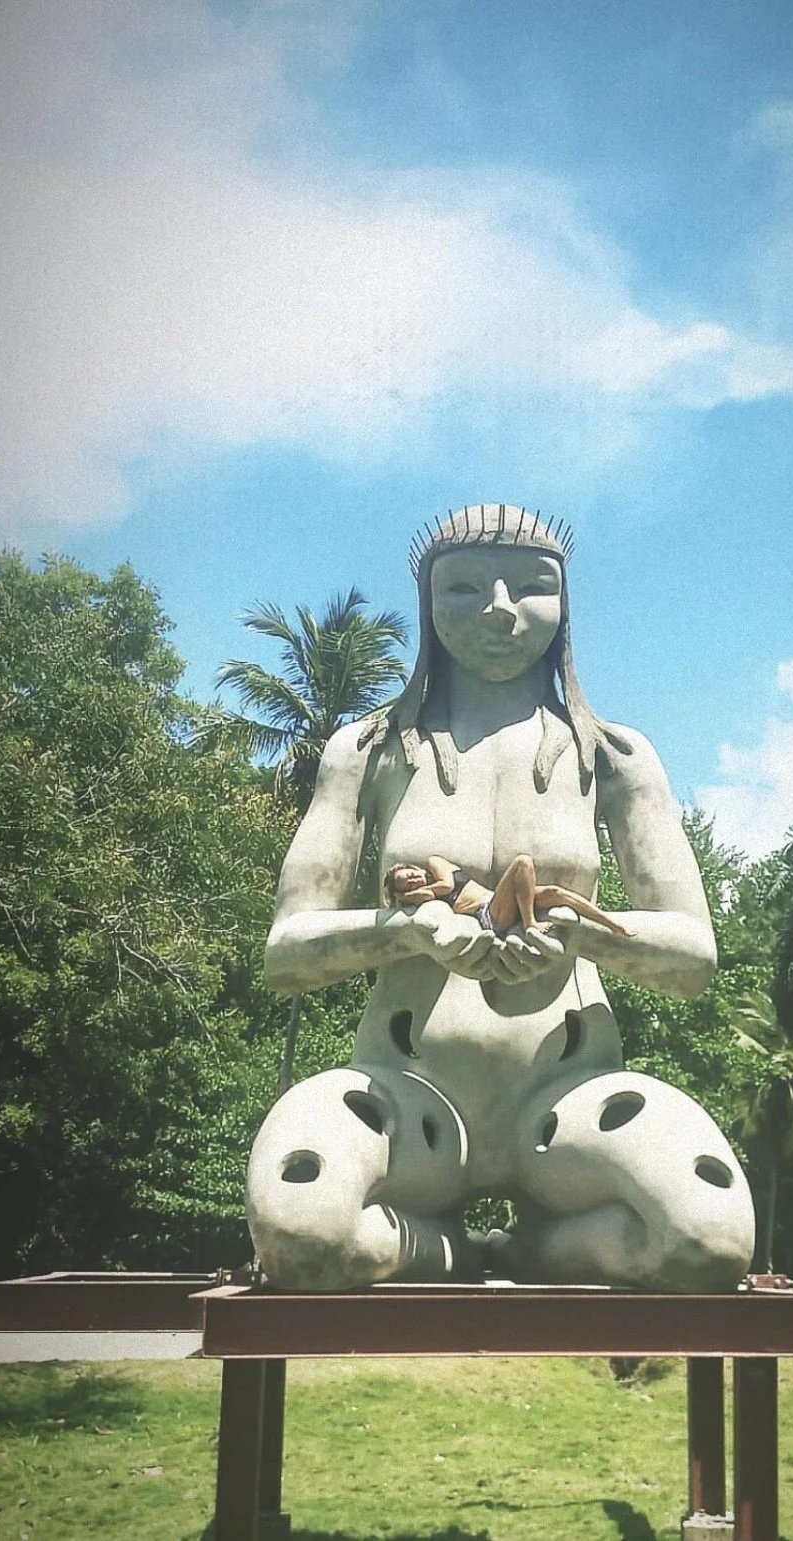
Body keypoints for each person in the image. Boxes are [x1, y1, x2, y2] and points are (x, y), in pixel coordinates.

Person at [246, 504, 754, 1292]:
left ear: (564, 603)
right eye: (462, 588)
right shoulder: (366, 751)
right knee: (304, 1231)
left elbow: (693, 957)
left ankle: (525, 1252)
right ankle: (443, 1250)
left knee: (705, 1237)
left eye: (530, 586)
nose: (498, 608)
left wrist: (581, 934)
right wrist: (413, 930)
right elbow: (286, 953)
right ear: (426, 601)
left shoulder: (616, 758)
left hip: (568, 1098)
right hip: (408, 1097)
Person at [384, 854, 633, 938]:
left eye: (411, 874)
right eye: (408, 884)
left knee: (556, 893)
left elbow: (448, 885)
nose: (414, 880)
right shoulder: (422, 898)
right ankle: (530, 924)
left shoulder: (435, 864)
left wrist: (421, 891)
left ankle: (613, 925)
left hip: (501, 902)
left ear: (414, 867)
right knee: (522, 862)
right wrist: (412, 896)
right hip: (490, 915)